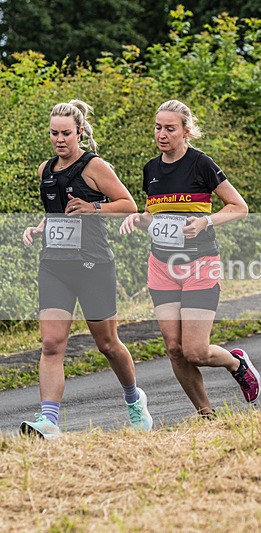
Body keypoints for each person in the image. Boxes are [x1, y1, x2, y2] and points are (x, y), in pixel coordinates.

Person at [20, 100, 152, 439]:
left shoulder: (94, 166)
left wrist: (93, 207)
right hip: (54, 266)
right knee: (51, 343)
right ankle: (49, 422)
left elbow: (128, 205)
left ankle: (134, 400)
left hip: (93, 265)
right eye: (54, 133)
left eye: (66, 133)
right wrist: (39, 228)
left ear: (79, 132)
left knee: (107, 344)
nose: (59, 139)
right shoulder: (45, 169)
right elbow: (55, 212)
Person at [120, 100, 259, 417]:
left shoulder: (202, 164)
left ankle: (237, 364)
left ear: (185, 131)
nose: (162, 134)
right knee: (174, 349)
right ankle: (206, 413)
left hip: (199, 263)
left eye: (170, 128)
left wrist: (205, 221)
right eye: (158, 128)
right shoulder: (151, 170)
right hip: (161, 266)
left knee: (195, 350)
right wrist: (138, 220)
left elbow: (239, 207)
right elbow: (155, 215)